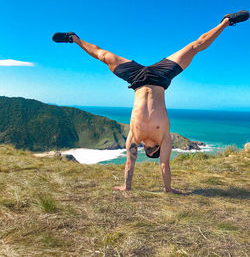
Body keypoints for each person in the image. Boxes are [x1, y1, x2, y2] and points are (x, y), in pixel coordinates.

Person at [52, 10, 249, 193]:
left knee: (103, 55)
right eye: (148, 150)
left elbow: (130, 163)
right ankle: (226, 21)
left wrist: (126, 187)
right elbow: (165, 164)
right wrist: (168, 189)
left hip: (137, 79)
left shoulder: (134, 136)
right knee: (194, 47)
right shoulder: (164, 138)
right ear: (153, 149)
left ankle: (74, 38)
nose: (145, 149)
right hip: (160, 78)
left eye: (144, 150)